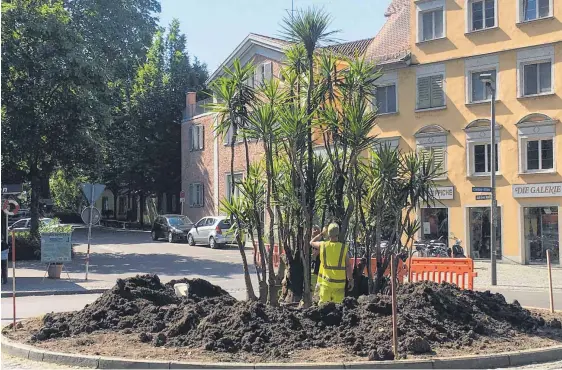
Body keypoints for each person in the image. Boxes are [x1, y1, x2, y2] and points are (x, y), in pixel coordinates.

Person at [310, 223, 353, 304]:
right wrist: (350, 280)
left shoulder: (322, 245)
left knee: (323, 307)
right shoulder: (343, 248)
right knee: (338, 308)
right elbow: (348, 266)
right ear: (338, 233)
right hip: (339, 285)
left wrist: (321, 234)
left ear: (328, 233)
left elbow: (311, 242)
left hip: (325, 284)